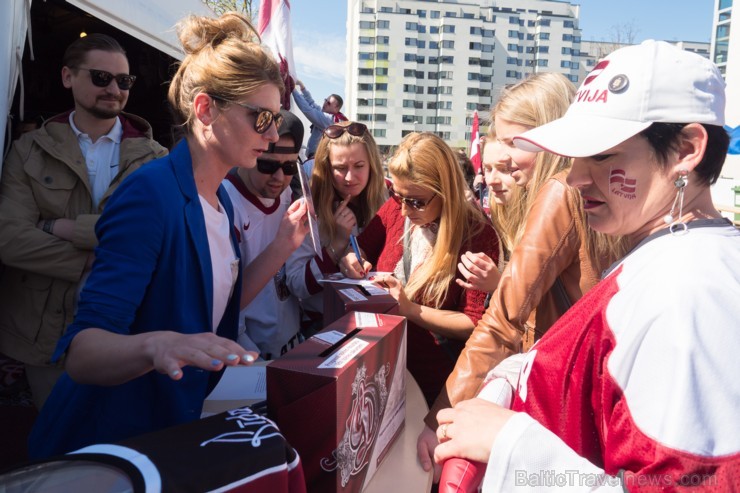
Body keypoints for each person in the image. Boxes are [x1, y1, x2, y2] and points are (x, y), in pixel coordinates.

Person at [434, 40, 740, 491]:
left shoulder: (686, 289)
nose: (575, 177)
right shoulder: (670, 255)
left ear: (686, 150)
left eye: (602, 154)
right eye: (575, 155)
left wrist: (511, 445)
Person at [28, 13, 307, 458]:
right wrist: (159, 344)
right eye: (262, 118)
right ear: (205, 109)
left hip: (167, 429)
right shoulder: (151, 194)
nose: (274, 135)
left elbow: (219, 311)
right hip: (109, 445)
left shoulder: (222, 200)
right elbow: (83, 353)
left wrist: (282, 246)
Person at [418, 73, 626, 473]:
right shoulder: (594, 191)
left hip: (558, 397)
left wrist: (437, 421)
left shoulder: (558, 192)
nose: (508, 157)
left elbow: (502, 322)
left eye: (517, 142)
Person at [0, 33, 167, 409]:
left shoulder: (156, 158)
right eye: (100, 77)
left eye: (123, 81)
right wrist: (95, 256)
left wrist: (54, 226)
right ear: (67, 77)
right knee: (55, 446)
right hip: (42, 332)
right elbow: (9, 239)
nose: (114, 89)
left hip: (122, 328)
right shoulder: (29, 149)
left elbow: (154, 241)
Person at [343, 132, 501, 405]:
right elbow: (360, 247)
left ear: (445, 192)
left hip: (437, 389)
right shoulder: (396, 207)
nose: (404, 210)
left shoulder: (478, 236)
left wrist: (410, 310)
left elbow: (474, 323)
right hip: (382, 371)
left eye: (416, 201)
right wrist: (352, 259)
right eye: (397, 195)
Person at [286, 121, 387, 332]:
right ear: (326, 168)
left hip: (380, 321)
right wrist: (337, 245)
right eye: (340, 168)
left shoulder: (389, 201)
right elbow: (296, 285)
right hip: (324, 326)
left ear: (372, 165)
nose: (350, 177)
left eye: (359, 166)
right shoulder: (309, 211)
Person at [223, 110, 305, 360]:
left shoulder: (287, 196)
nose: (279, 178)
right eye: (268, 165)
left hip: (290, 343)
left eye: (289, 166)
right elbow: (225, 304)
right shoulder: (225, 202)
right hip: (250, 354)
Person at [292, 80, 347, 158]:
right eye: (325, 100)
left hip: (317, 158)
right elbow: (312, 104)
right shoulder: (330, 116)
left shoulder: (329, 120)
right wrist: (302, 87)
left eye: (328, 103)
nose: (325, 103)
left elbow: (308, 109)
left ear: (336, 109)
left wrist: (293, 90)